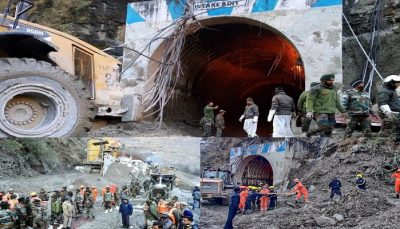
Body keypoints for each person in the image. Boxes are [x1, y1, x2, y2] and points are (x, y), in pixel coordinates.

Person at [377, 75, 400, 141]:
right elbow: (383, 103)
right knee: (386, 133)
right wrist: (389, 113)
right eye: (397, 82)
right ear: (391, 83)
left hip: (395, 114)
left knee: (396, 132)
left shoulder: (392, 91)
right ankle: (381, 147)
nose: (398, 84)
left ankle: (394, 145)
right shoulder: (384, 91)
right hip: (389, 115)